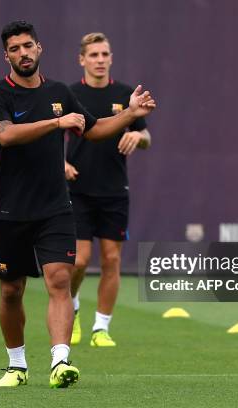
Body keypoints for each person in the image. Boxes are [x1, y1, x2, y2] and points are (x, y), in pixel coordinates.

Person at [0, 20, 155, 388]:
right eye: (15, 49)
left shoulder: (59, 91)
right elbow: (7, 135)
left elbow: (92, 130)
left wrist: (129, 115)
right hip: (10, 208)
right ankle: (16, 366)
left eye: (28, 46)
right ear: (7, 56)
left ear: (39, 48)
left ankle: (60, 361)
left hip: (56, 206)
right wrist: (56, 122)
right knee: (11, 290)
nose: (23, 53)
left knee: (60, 279)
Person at [65, 32, 151, 347]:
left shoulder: (126, 95)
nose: (100, 60)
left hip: (114, 190)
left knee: (112, 259)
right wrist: (59, 163)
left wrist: (138, 138)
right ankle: (71, 309)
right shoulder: (70, 94)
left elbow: (146, 136)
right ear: (82, 59)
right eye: (94, 55)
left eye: (105, 54)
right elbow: (50, 136)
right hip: (77, 189)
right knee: (79, 260)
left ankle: (101, 328)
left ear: (111, 57)